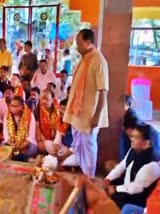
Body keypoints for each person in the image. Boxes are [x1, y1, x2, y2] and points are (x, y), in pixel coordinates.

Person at [63, 29, 109, 177]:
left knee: (88, 148)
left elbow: (103, 90)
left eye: (79, 43)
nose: (76, 46)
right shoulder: (85, 59)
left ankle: (90, 179)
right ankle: (83, 175)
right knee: (78, 145)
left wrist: (97, 115)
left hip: (89, 115)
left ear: (89, 42)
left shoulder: (98, 60)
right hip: (78, 113)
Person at [105, 124, 160, 209]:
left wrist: (115, 188)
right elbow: (124, 164)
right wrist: (108, 179)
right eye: (132, 136)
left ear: (147, 142)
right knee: (105, 179)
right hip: (128, 182)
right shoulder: (135, 148)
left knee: (109, 198)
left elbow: (136, 187)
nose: (131, 139)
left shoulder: (152, 166)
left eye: (136, 137)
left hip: (137, 196)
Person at [3, 95, 37, 162]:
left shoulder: (30, 115)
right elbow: (6, 134)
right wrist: (11, 144)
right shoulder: (7, 115)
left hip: (26, 144)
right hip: (12, 144)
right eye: (11, 105)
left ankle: (17, 156)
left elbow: (31, 137)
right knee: (3, 146)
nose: (11, 107)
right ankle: (24, 158)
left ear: (21, 107)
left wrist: (21, 146)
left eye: (14, 106)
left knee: (32, 148)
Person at [34, 89, 67, 154]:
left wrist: (57, 142)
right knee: (41, 145)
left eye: (47, 99)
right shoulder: (38, 109)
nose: (44, 101)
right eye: (42, 98)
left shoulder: (58, 110)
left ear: (52, 99)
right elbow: (36, 127)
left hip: (58, 141)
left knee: (60, 149)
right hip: (43, 139)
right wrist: (39, 140)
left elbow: (61, 130)